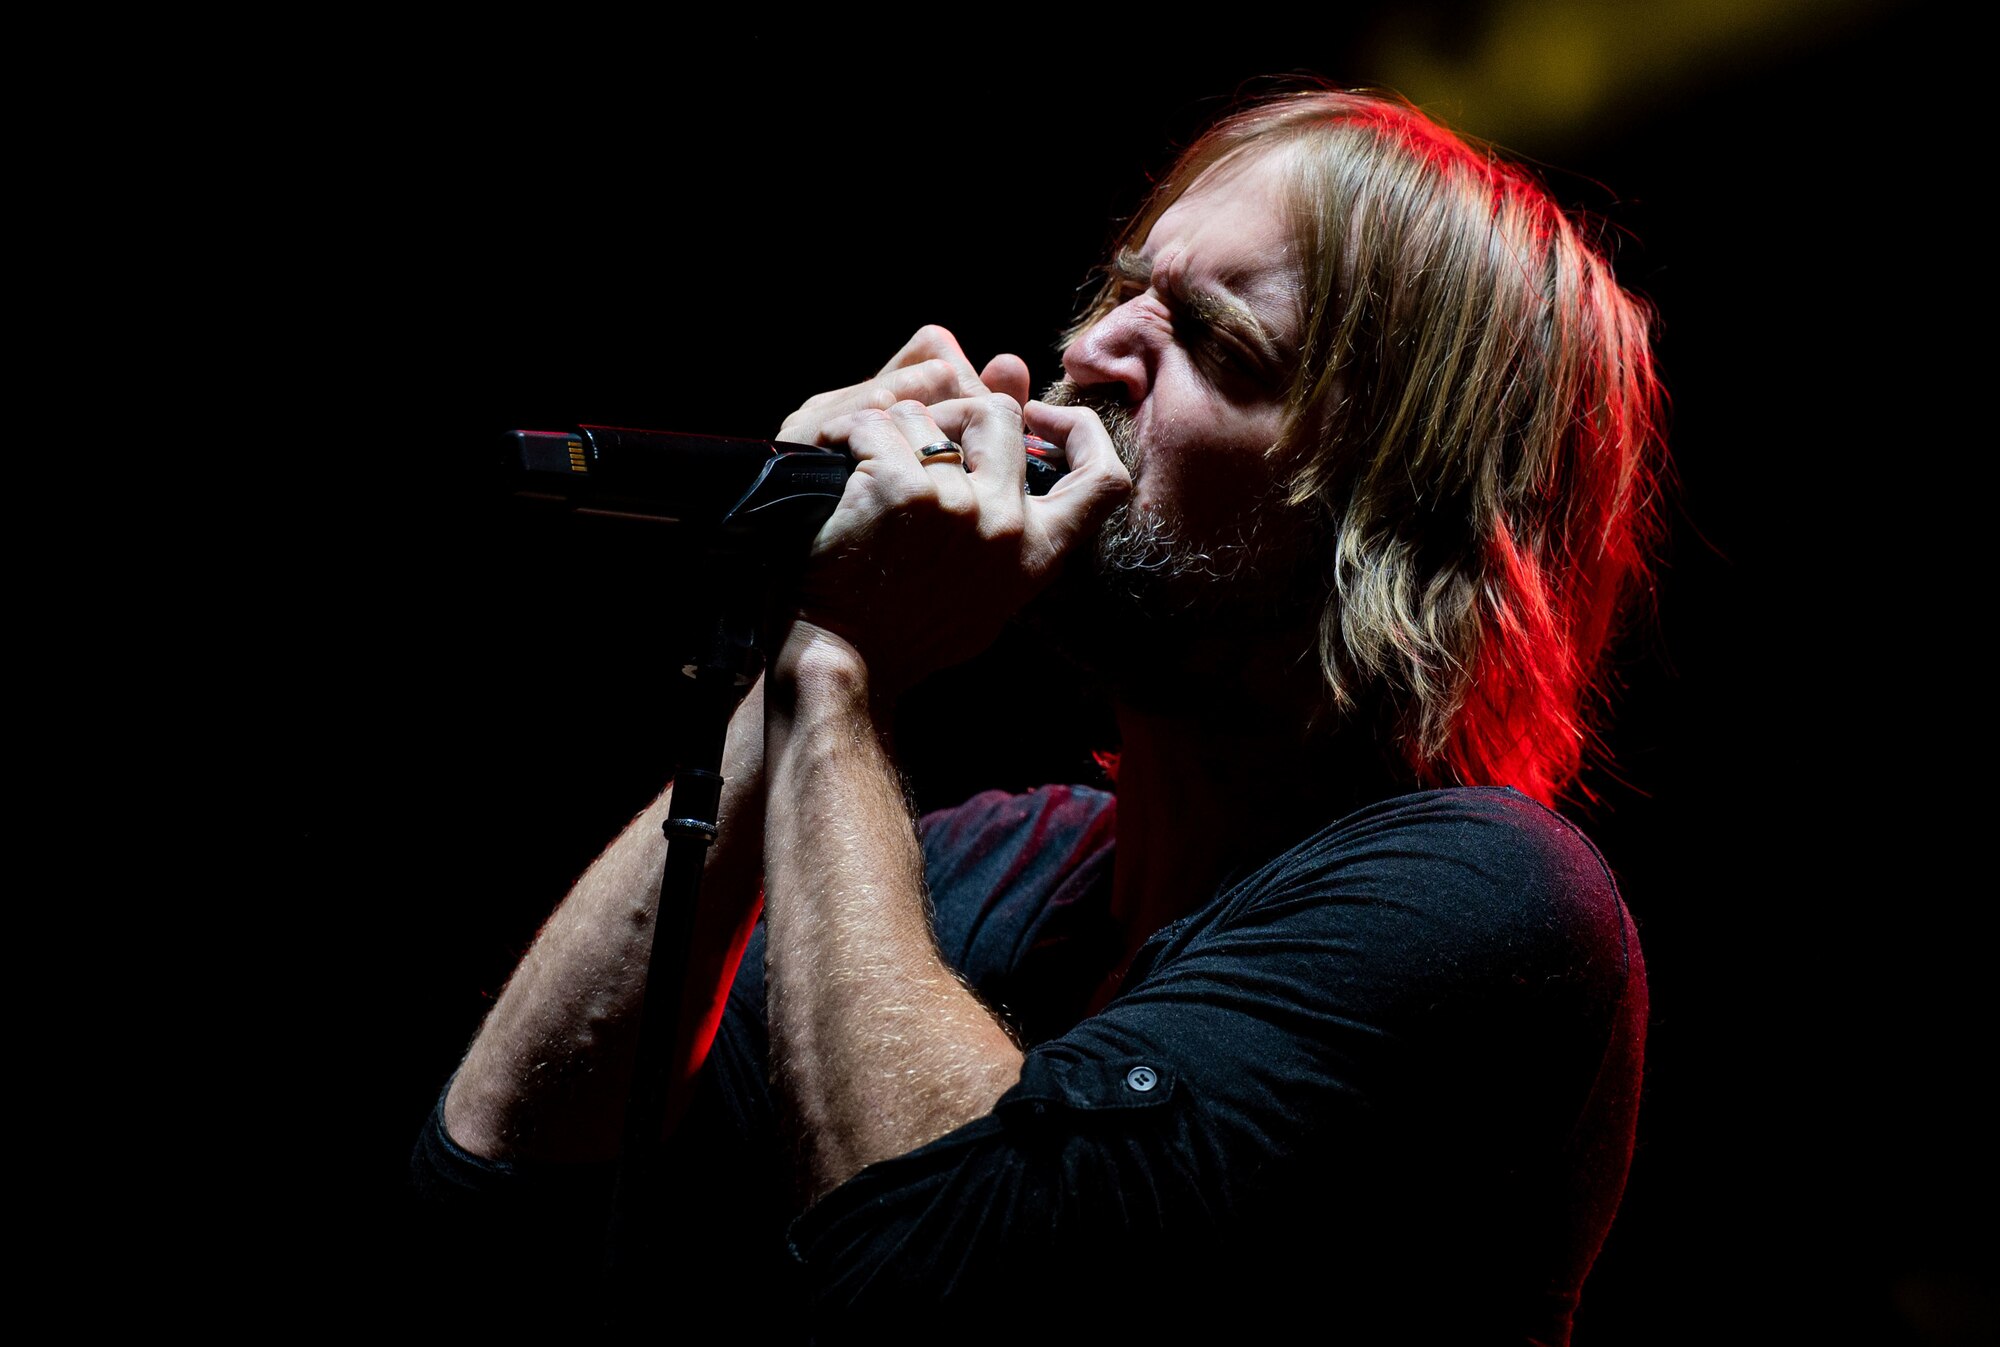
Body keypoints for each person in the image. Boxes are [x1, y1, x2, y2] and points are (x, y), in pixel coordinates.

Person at [415, 88, 1665, 1344]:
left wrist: (841, 673)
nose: (1091, 354)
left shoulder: (1484, 899)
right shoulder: (988, 858)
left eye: (1212, 343)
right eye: (1124, 291)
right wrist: (797, 643)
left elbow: (936, 1284)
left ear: (1384, 525)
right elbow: (493, 1180)